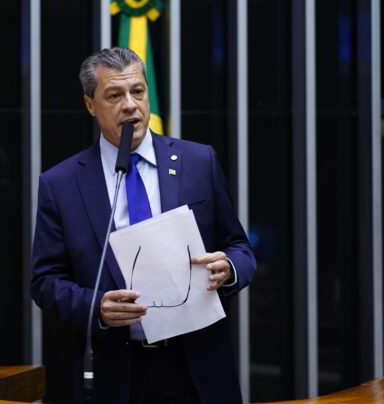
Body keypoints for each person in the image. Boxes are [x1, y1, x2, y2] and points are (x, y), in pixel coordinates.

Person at [31, 47, 256, 404]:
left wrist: (228, 268)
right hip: (116, 371)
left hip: (196, 367)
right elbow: (45, 281)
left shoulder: (198, 161)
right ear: (90, 105)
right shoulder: (61, 184)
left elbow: (240, 248)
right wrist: (96, 306)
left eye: (137, 91)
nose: (130, 105)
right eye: (114, 95)